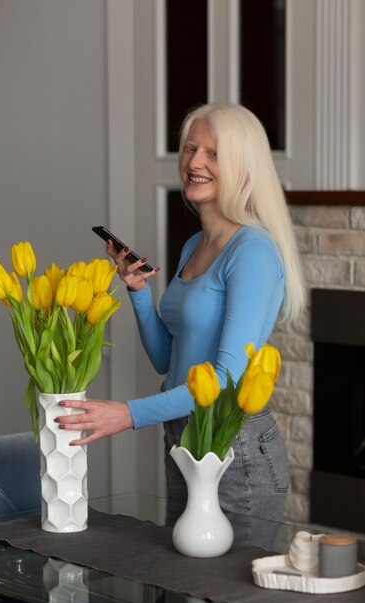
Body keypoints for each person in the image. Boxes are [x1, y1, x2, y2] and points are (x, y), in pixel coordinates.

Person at [55, 103, 306, 523]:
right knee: (184, 581)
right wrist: (137, 290)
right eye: (190, 149)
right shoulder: (195, 245)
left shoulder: (253, 252)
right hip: (183, 434)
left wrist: (127, 415)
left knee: (229, 588)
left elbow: (225, 378)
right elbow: (167, 360)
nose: (194, 162)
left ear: (244, 167)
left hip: (234, 445)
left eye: (213, 153)